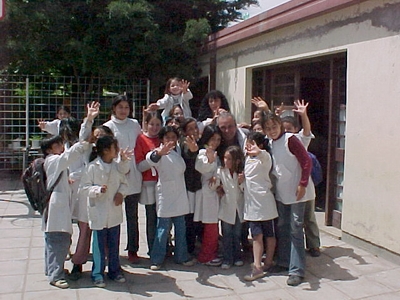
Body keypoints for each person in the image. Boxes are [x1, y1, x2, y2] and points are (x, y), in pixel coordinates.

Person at [263, 112, 315, 287]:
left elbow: (306, 161)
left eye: (274, 127)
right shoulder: (270, 142)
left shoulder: (291, 139)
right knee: (283, 227)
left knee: (296, 228)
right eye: (268, 129)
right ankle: (284, 262)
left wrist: (302, 183)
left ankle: (297, 270)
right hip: (282, 194)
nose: (272, 131)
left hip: (298, 194)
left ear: (280, 124)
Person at [80, 136, 129, 288]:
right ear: (106, 150)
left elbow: (125, 183)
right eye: (115, 147)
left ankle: (114, 270)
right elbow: (84, 188)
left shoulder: (117, 166)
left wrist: (121, 193)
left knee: (114, 244)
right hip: (99, 212)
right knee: (99, 246)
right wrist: (97, 190)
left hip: (114, 212)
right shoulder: (92, 167)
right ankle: (97, 273)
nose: (117, 150)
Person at [41, 135, 89, 289]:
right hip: (57, 209)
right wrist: (83, 144)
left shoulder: (51, 162)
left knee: (52, 241)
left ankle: (51, 270)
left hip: (55, 207)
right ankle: (56, 276)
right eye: (58, 145)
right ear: (49, 149)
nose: (62, 147)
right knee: (59, 241)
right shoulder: (54, 160)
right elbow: (68, 156)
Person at [146, 126, 195, 270]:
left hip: (179, 195)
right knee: (163, 228)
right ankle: (157, 259)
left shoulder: (178, 151)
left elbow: (190, 159)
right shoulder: (158, 152)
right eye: (167, 137)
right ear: (161, 139)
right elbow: (150, 159)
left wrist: (193, 151)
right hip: (166, 196)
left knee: (180, 228)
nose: (171, 140)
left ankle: (181, 256)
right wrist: (159, 153)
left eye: (173, 137)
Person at [103, 95, 142, 264]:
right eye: (120, 107)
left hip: (132, 173)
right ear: (114, 109)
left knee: (132, 215)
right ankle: (110, 249)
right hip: (114, 174)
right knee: (112, 215)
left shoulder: (134, 124)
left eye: (126, 107)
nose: (123, 110)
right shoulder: (108, 126)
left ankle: (133, 249)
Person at [281, 99, 321, 257]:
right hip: (289, 190)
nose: (287, 132)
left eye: (289, 129)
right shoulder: (280, 142)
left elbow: (307, 130)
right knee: (293, 222)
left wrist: (304, 115)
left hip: (306, 187)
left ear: (295, 129)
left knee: (309, 218)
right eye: (284, 130)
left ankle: (314, 245)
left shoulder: (299, 140)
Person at [242, 132, 278, 281]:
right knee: (256, 235)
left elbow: (265, 158)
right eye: (247, 143)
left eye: (252, 144)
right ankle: (257, 265)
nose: (249, 147)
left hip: (265, 202)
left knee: (269, 234)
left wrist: (260, 152)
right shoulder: (247, 159)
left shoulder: (264, 159)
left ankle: (267, 262)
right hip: (252, 205)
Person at [216, 112, 250, 251]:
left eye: (230, 126)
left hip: (242, 179)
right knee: (226, 218)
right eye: (223, 127)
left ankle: (243, 241)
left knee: (242, 214)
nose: (227, 130)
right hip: (224, 180)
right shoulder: (216, 139)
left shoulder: (244, 138)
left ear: (236, 126)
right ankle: (227, 249)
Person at [211, 145, 245, 270]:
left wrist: (242, 182)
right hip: (226, 208)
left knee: (237, 234)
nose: (226, 161)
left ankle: (237, 256)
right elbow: (214, 186)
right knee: (226, 234)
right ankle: (227, 258)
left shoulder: (240, 173)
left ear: (237, 160)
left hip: (238, 208)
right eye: (225, 158)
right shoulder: (221, 171)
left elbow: (244, 190)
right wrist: (215, 182)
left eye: (230, 159)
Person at [194, 125, 223, 266]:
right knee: (211, 226)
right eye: (213, 139)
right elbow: (201, 167)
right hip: (207, 193)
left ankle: (211, 252)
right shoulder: (203, 152)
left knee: (212, 226)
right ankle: (207, 255)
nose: (215, 142)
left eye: (218, 139)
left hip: (213, 192)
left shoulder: (215, 152)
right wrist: (210, 161)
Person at [134, 113, 162, 255]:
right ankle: (153, 250)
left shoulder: (163, 138)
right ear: (145, 124)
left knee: (163, 219)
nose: (155, 127)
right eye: (152, 124)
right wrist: (154, 157)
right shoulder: (141, 139)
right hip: (149, 184)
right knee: (151, 218)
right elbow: (139, 165)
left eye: (158, 124)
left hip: (164, 184)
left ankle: (163, 246)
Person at [179, 117, 202, 256]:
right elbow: (188, 152)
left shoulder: (200, 142)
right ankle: (188, 249)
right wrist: (193, 150)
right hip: (189, 187)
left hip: (199, 186)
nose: (194, 131)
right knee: (189, 219)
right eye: (190, 129)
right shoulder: (185, 143)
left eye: (196, 128)